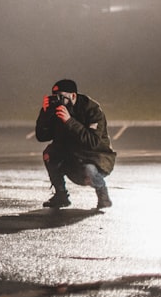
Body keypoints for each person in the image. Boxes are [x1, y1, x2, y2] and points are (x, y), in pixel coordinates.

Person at [35, 79, 116, 210]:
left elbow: (93, 142)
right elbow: (42, 136)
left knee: (90, 169)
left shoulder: (91, 109)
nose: (58, 100)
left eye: (61, 97)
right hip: (72, 155)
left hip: (95, 158)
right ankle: (61, 196)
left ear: (73, 96)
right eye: (55, 97)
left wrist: (69, 121)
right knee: (49, 154)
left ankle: (103, 195)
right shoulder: (56, 109)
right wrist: (45, 113)